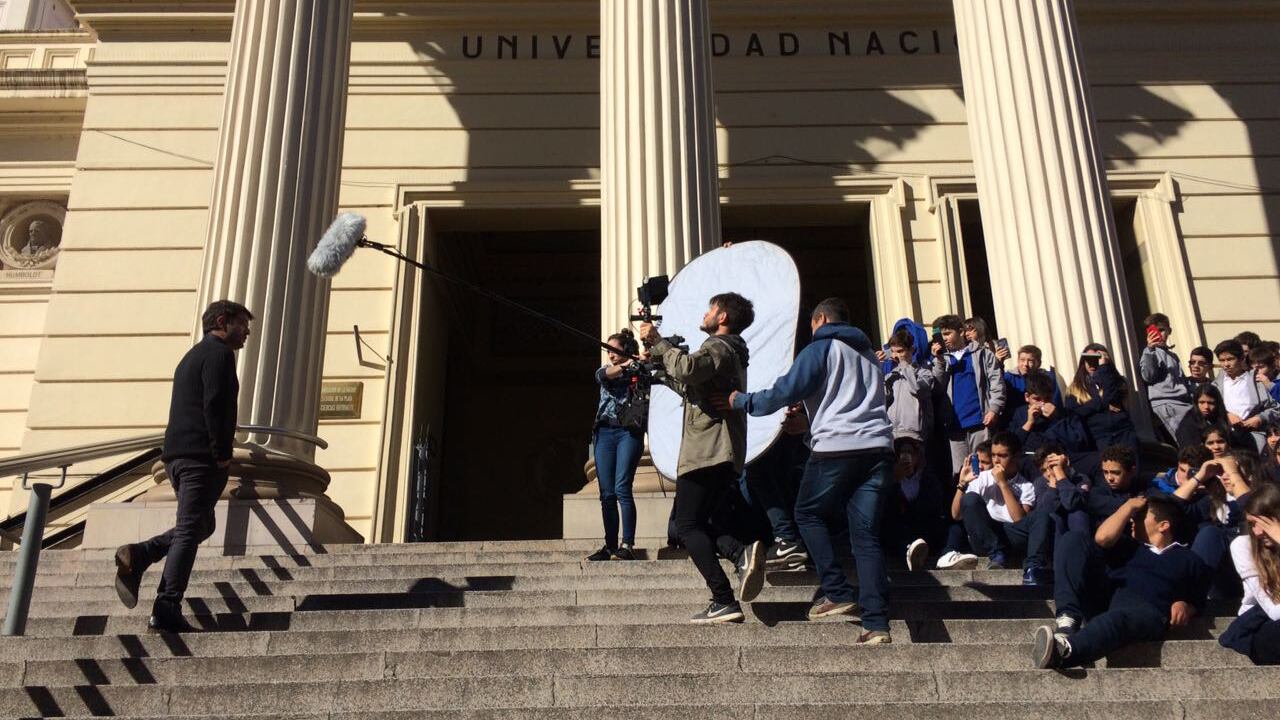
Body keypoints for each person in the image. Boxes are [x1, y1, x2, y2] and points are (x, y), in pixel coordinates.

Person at [728, 297, 897, 644]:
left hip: (837, 449)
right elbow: (856, 403)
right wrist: (807, 424)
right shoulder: (868, 357)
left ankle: (836, 591)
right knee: (866, 538)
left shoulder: (821, 348)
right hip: (879, 449)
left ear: (820, 319)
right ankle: (876, 624)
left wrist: (741, 401)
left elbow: (784, 391)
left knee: (807, 514)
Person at [112, 300, 253, 633]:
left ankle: (142, 554)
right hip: (200, 458)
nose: (247, 332)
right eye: (242, 324)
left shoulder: (190, 357)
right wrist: (221, 452)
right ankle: (166, 606)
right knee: (191, 528)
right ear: (222, 321)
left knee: (202, 525)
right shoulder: (219, 355)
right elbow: (215, 404)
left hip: (177, 457)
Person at [639, 293, 765, 624]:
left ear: (722, 316)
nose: (705, 313)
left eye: (710, 308)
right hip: (720, 450)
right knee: (704, 522)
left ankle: (723, 597)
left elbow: (689, 369)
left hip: (707, 449)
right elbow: (691, 385)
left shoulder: (719, 347)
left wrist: (657, 341)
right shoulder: (729, 351)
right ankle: (741, 554)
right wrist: (658, 366)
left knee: (686, 524)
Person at [1034, 495, 1212, 668]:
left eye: (1140, 516)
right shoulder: (1127, 546)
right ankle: (1067, 621)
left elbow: (1198, 600)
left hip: (1148, 613)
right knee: (1073, 539)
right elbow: (1102, 538)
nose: (1132, 520)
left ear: (1163, 525)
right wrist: (1128, 507)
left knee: (1116, 620)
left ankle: (1063, 653)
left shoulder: (1190, 560)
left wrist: (1185, 606)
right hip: (1111, 601)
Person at [938, 432, 1053, 584]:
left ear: (1016, 456)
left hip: (1011, 534)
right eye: (993, 455)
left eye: (1002, 455)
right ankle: (997, 553)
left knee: (1042, 516)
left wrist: (1003, 484)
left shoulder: (1026, 486)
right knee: (970, 498)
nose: (996, 460)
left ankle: (1033, 568)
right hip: (985, 535)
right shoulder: (981, 478)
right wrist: (962, 484)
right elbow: (957, 515)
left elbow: (1019, 519)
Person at [586, 329, 646, 562]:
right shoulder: (605, 370)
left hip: (628, 432)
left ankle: (627, 544)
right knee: (606, 493)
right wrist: (628, 364)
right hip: (605, 432)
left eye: (614, 350)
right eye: (608, 350)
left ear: (626, 349)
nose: (610, 355)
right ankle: (610, 545)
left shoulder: (638, 370)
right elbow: (606, 375)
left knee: (622, 488)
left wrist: (643, 362)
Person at [931, 314, 1006, 480]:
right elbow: (936, 387)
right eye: (942, 335)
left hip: (980, 422)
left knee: (983, 471)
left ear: (961, 332)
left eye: (948, 333)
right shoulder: (943, 359)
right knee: (961, 474)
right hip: (954, 426)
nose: (945, 339)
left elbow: (996, 383)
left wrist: (993, 409)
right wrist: (939, 361)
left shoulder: (982, 353)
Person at [1221, 483, 1280, 665]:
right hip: (1261, 624)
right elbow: (1273, 611)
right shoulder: (1243, 545)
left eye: (1264, 524)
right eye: (1252, 524)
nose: (1258, 532)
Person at [883, 436, 946, 571]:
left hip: (924, 529)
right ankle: (908, 550)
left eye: (910, 453)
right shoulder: (887, 478)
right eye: (902, 453)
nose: (906, 457)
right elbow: (885, 509)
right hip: (898, 533)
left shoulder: (928, 478)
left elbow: (934, 506)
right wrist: (895, 481)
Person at [1064, 343, 1138, 456]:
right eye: (1088, 359)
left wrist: (1104, 368)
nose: (1092, 363)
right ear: (1083, 362)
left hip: (1124, 434)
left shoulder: (1116, 380)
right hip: (1099, 438)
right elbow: (1074, 413)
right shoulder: (1075, 388)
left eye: (1096, 359)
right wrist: (1102, 403)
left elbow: (1113, 397)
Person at [1139, 313, 1199, 448]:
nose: (1159, 335)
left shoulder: (1173, 355)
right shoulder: (1149, 352)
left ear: (1169, 331)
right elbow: (1148, 376)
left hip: (1183, 403)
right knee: (1188, 446)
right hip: (1167, 404)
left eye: (1162, 330)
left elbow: (1181, 380)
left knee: (1194, 443)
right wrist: (1150, 349)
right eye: (1154, 331)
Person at [1212, 339, 1280, 453]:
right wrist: (1226, 415)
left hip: (1254, 436)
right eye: (1222, 360)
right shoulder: (1216, 385)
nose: (1226, 364)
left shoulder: (1256, 381)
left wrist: (1260, 418)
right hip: (1226, 437)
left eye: (1230, 359)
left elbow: (1276, 408)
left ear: (1242, 359)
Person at [1009, 370, 1090, 458]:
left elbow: (1079, 444)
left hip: (1062, 458)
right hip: (1032, 461)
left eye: (1047, 398)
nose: (1043, 403)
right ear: (1027, 397)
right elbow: (1010, 447)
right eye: (1037, 399)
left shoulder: (1066, 414)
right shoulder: (1019, 414)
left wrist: (1057, 419)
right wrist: (1029, 423)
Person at [884, 327, 939, 444]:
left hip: (914, 433)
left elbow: (918, 390)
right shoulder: (891, 375)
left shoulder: (924, 372)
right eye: (893, 351)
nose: (895, 356)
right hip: (892, 433)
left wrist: (904, 366)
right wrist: (876, 367)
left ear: (911, 350)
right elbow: (883, 398)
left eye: (900, 351)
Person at [1002, 344, 1062, 425]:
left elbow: (1055, 399)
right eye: (1022, 360)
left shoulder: (1048, 378)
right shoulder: (1008, 377)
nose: (1025, 364)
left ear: (1039, 363)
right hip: (1018, 420)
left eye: (1030, 361)